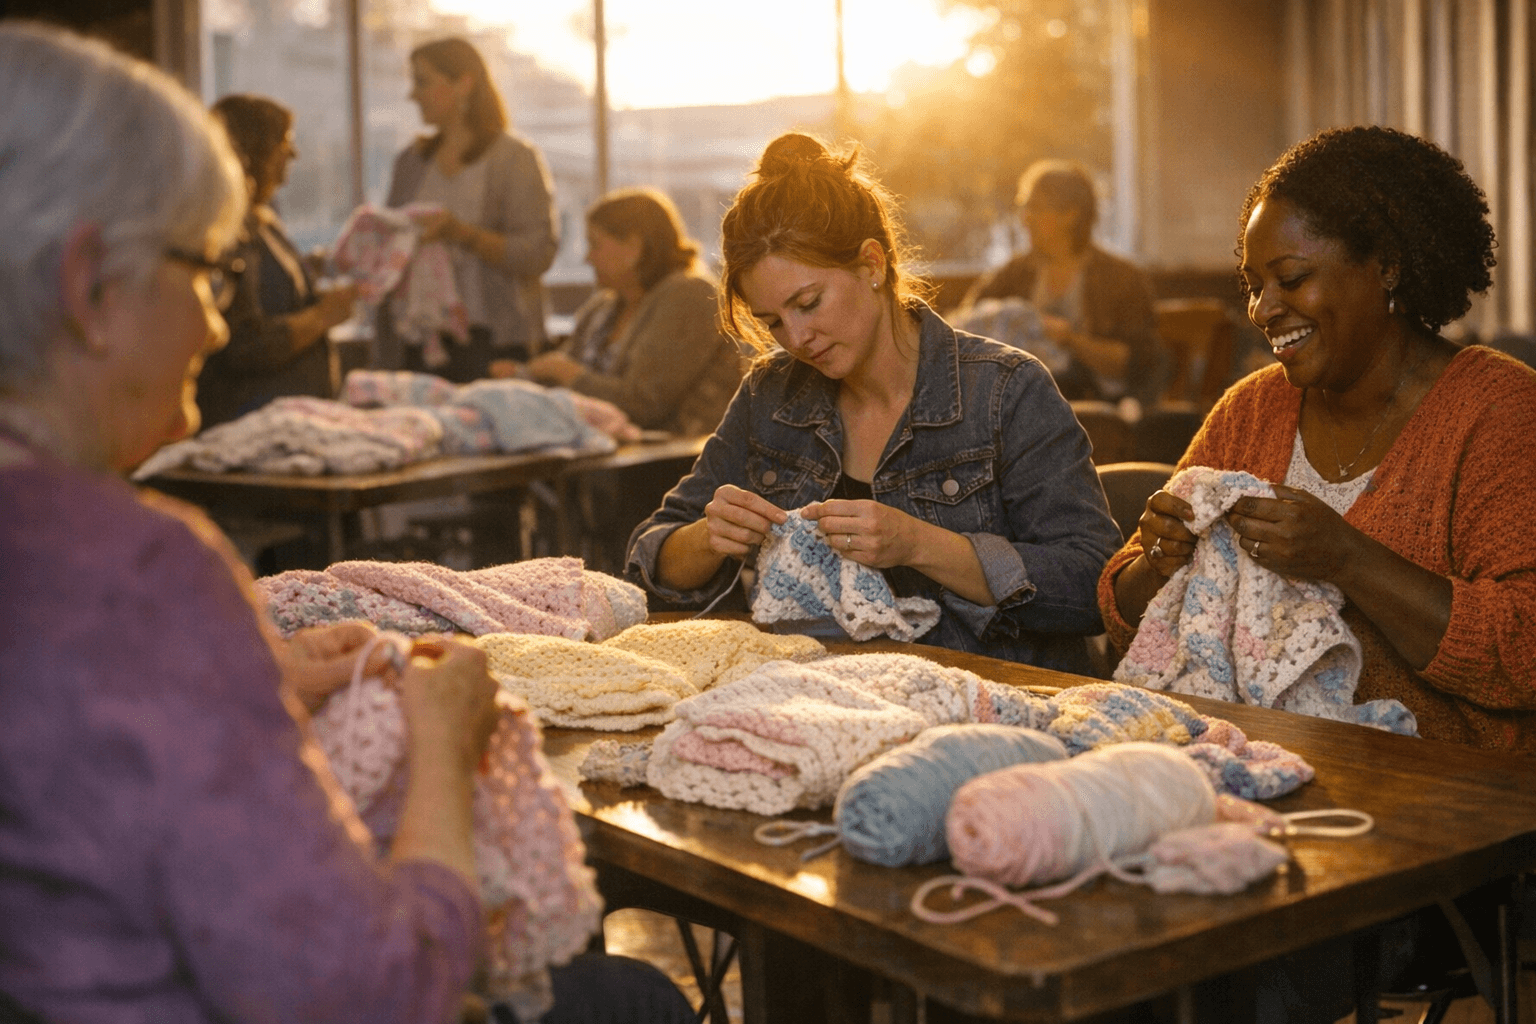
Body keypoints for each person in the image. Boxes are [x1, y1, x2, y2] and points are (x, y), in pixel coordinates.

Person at [0, 24, 691, 1024]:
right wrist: (446, 751)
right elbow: (369, 991)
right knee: (632, 999)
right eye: (205, 272)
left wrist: (249, 676)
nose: (218, 324)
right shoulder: (136, 569)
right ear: (88, 287)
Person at [1100, 125, 1536, 754]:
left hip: (1445, 793)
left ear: (1386, 266)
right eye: (1253, 286)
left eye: (1292, 278)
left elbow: (1523, 652)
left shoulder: (1498, 412)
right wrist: (1157, 562)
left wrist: (1347, 559)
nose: (1261, 308)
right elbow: (1122, 610)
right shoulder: (1252, 409)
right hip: (1253, 764)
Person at [626, 133, 1122, 674]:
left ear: (871, 264)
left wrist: (918, 544)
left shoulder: (1007, 391)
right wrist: (707, 537)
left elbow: (1092, 588)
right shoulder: (769, 395)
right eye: (772, 322)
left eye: (809, 302)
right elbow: (648, 563)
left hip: (988, 702)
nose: (796, 337)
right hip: (823, 702)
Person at [495, 187, 744, 437]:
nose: (587, 258)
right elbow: (562, 384)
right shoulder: (603, 306)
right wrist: (523, 376)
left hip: (672, 456)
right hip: (606, 449)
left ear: (633, 247)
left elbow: (645, 404)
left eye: (595, 244)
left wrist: (565, 372)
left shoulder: (690, 296)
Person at [381, 36, 558, 382]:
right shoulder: (410, 162)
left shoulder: (515, 159)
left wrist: (461, 234)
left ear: (463, 84)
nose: (412, 95)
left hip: (495, 344)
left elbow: (538, 254)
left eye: (422, 81)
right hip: (421, 342)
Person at [197, 94, 359, 428]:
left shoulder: (263, 219)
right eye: (283, 141)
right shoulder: (225, 230)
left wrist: (316, 269)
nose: (293, 153)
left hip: (287, 421)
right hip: (246, 425)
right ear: (254, 150)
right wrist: (321, 316)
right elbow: (243, 343)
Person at [961, 160, 1164, 405]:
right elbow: (966, 331)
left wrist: (1069, 340)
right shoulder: (1014, 273)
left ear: (1071, 215)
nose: (1026, 219)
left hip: (1095, 411)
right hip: (1017, 408)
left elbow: (1134, 365)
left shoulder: (1122, 279)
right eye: (1025, 208)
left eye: (1036, 208)